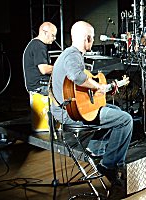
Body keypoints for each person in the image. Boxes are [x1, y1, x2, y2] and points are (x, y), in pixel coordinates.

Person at [50, 21, 133, 185]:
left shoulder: (69, 53)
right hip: (70, 113)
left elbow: (77, 85)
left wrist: (99, 89)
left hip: (69, 108)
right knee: (125, 120)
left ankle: (95, 148)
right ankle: (109, 165)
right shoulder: (73, 55)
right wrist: (98, 86)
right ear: (87, 38)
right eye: (92, 38)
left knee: (114, 109)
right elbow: (77, 76)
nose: (93, 41)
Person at [23, 22, 57, 95]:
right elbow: (44, 69)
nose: (54, 38)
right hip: (40, 87)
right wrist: (62, 68)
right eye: (52, 35)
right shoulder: (39, 46)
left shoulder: (35, 44)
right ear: (44, 32)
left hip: (37, 86)